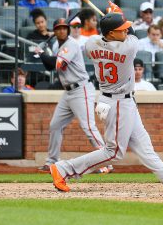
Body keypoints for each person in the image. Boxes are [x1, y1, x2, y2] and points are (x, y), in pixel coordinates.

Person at [49, 6, 163, 193]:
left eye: (125, 27)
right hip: (118, 103)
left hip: (117, 100)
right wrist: (117, 13)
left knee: (143, 145)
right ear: (111, 33)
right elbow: (132, 34)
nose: (125, 30)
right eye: (121, 29)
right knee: (114, 152)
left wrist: (114, 19)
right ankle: (63, 169)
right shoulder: (128, 47)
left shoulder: (92, 43)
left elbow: (104, 37)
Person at [34, 18, 112, 174]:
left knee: (88, 127)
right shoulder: (59, 45)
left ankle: (107, 162)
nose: (62, 30)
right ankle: (52, 162)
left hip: (81, 89)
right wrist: (45, 52)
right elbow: (51, 65)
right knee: (55, 125)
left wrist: (41, 53)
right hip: (68, 92)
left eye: (64, 28)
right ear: (54, 31)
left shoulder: (71, 44)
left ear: (68, 30)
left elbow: (55, 65)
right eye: (59, 28)